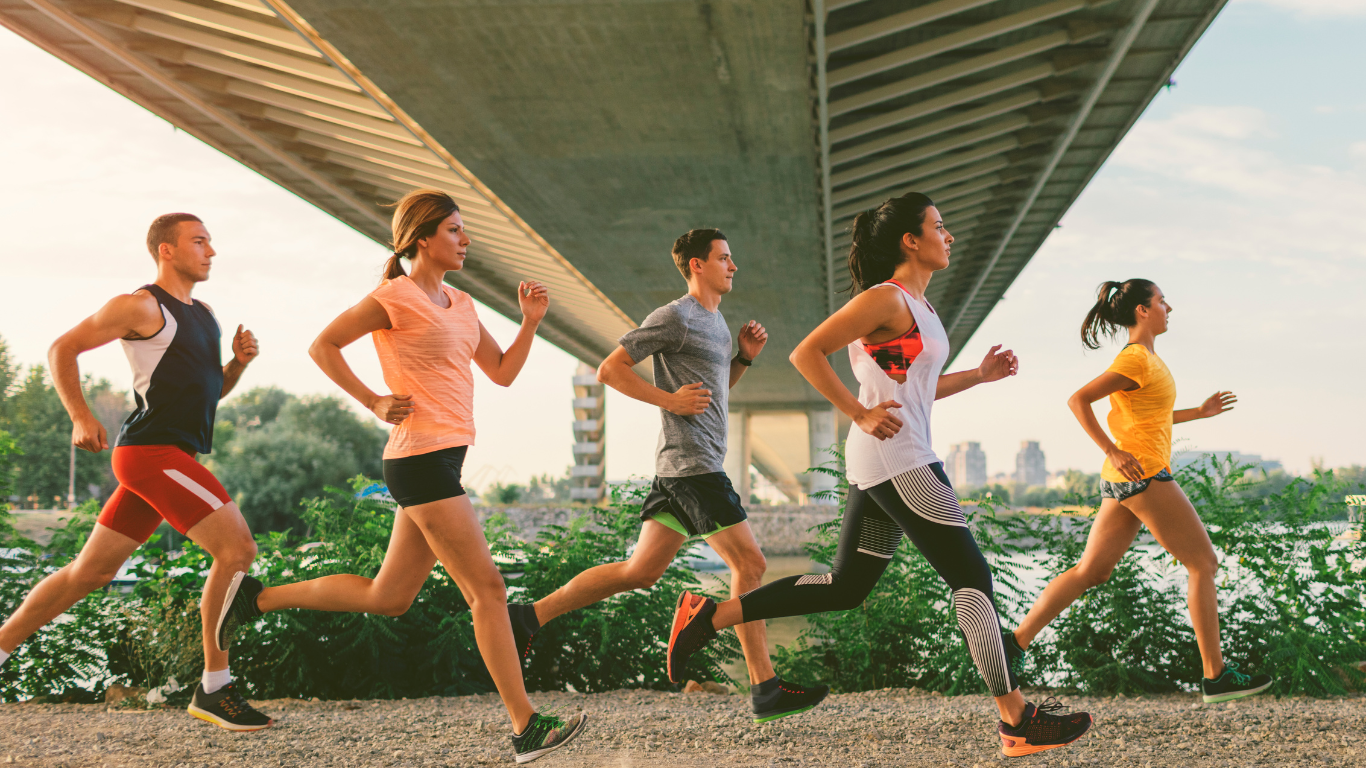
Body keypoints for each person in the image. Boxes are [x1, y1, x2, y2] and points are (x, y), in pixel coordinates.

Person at [665, 194, 1094, 758]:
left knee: (846, 587)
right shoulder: (885, 298)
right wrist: (859, 412)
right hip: (902, 459)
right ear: (909, 241)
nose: (950, 236)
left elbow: (913, 388)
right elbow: (807, 352)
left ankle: (709, 617)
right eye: (940, 226)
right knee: (973, 578)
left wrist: (979, 376)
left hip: (884, 458)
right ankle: (1015, 719)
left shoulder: (919, 307)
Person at [218, 189, 586, 763]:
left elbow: (503, 373)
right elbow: (324, 345)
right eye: (456, 231)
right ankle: (526, 726)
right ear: (423, 238)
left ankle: (257, 600)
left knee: (389, 597)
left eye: (465, 232)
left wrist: (530, 323)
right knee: (487, 590)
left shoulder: (461, 304)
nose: (466, 240)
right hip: (418, 457)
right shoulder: (393, 297)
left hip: (446, 455)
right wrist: (372, 399)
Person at [505, 229, 829, 723]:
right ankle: (765, 688)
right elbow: (610, 369)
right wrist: (669, 401)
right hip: (694, 466)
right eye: (724, 257)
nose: (733, 265)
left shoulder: (717, 324)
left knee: (640, 572)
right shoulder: (674, 316)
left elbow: (715, 395)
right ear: (697, 265)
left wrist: (741, 357)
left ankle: (529, 616)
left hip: (679, 469)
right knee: (753, 566)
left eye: (732, 257)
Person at [0, 213, 270, 730]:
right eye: (199, 241)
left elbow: (209, 394)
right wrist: (81, 414)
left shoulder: (206, 315)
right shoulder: (141, 305)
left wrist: (236, 365)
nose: (211, 250)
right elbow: (63, 348)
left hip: (169, 458)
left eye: (211, 241)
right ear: (166, 250)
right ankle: (215, 688)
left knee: (91, 573)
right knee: (237, 551)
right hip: (151, 454)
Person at [1006, 279, 1273, 704]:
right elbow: (1079, 400)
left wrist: (1199, 414)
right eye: (1162, 301)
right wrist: (1112, 448)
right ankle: (1215, 676)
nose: (1169, 307)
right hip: (1144, 474)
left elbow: (1153, 416)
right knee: (1204, 563)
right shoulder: (1135, 358)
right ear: (1143, 311)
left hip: (1125, 479)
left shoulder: (1148, 359)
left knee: (1092, 571)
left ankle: (1014, 643)